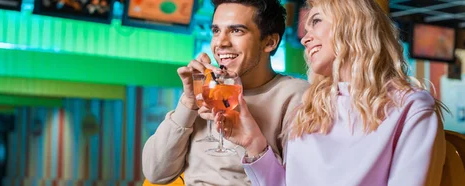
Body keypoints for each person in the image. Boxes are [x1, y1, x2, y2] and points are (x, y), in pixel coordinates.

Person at [218, 0, 448, 185]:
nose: (305, 39)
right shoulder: (310, 107)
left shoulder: (411, 107)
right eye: (305, 30)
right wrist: (252, 141)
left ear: (353, 24)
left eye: (316, 21)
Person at [141, 0, 309, 185]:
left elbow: (298, 180)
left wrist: (243, 132)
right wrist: (188, 103)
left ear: (269, 42)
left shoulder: (297, 96)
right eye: (216, 31)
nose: (221, 42)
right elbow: (156, 172)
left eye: (237, 31)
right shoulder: (207, 93)